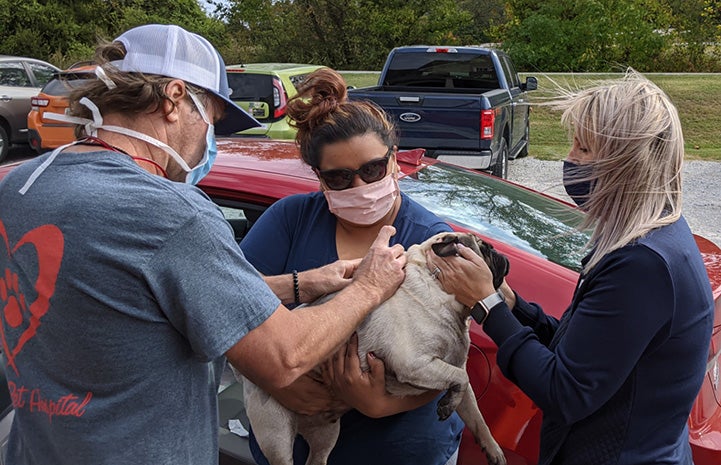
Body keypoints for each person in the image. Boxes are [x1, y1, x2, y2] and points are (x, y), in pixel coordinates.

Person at [0, 24, 407, 465]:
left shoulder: (23, 183)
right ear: (174, 99)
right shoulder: (172, 212)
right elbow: (285, 357)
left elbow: (139, 302)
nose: (205, 144)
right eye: (211, 120)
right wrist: (369, 287)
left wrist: (300, 284)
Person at [427, 71, 715, 465]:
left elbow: (565, 391)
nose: (570, 159)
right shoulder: (658, 233)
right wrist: (513, 305)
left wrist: (487, 305)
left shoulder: (642, 262)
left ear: (625, 162)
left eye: (583, 147)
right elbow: (580, 354)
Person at [239, 68, 464, 465]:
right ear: (319, 178)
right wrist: (275, 375)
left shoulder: (430, 240)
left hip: (399, 450)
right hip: (292, 446)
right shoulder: (291, 219)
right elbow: (223, 307)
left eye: (373, 170)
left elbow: (451, 360)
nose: (360, 187)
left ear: (395, 160)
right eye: (340, 178)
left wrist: (380, 405)